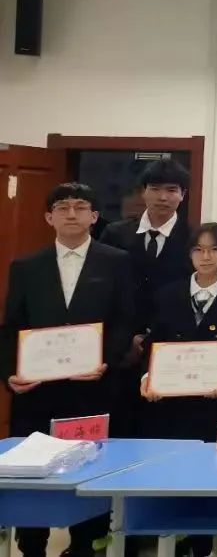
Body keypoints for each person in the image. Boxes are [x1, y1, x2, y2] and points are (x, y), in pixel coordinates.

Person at [0, 183, 135, 557]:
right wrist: (10, 374)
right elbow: (12, 327)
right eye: (62, 207)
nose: (71, 214)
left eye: (80, 207)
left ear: (94, 216)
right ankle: (32, 545)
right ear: (49, 217)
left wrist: (106, 360)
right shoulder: (26, 266)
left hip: (93, 389)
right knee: (32, 474)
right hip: (37, 393)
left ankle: (84, 545)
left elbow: (125, 320)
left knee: (90, 471)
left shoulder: (117, 261)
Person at [140, 222, 217, 557]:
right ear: (189, 254)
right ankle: (176, 539)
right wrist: (148, 378)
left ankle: (204, 544)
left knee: (212, 475)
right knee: (177, 473)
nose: (206, 257)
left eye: (215, 249)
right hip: (173, 406)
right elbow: (153, 344)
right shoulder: (168, 294)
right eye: (199, 250)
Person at [99, 157, 192, 341]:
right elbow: (103, 288)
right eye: (155, 189)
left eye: (171, 190)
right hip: (119, 339)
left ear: (183, 194)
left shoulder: (193, 240)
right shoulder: (115, 234)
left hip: (172, 339)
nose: (162, 197)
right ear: (143, 191)